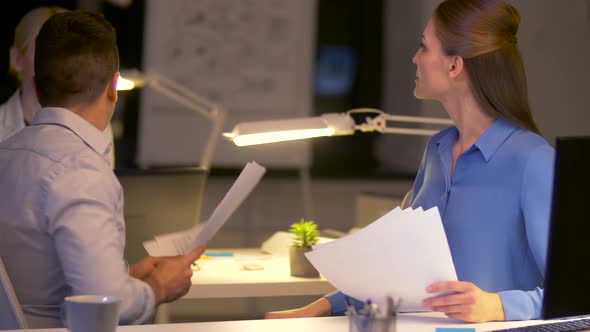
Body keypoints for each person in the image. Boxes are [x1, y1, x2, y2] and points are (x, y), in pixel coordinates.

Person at [266, 0, 554, 323]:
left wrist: (497, 306)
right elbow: (399, 268)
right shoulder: (438, 150)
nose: (415, 57)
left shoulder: (532, 161)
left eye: (423, 47)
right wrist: (318, 308)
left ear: (454, 65)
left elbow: (576, 295)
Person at [0, 11, 204, 328]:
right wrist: (160, 286)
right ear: (113, 88)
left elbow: (48, 277)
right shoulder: (81, 173)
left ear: (38, 90)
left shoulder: (6, 155)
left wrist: (127, 278)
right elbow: (106, 303)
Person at [0, 6, 115, 167]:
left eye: (69, 51)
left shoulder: (96, 124)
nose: (61, 63)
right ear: (17, 59)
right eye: (44, 51)